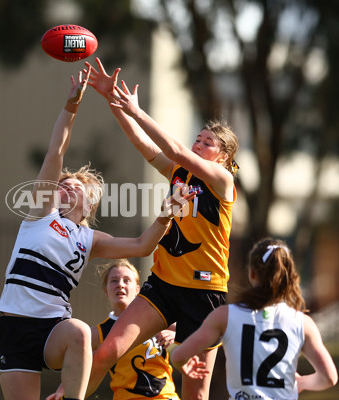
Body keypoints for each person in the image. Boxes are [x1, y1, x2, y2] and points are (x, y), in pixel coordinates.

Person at [0, 70, 195, 400]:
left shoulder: (89, 239)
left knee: (79, 332)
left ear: (89, 202)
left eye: (73, 186)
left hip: (51, 327)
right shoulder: (40, 214)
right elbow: (55, 152)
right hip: (13, 325)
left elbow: (143, 246)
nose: (64, 187)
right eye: (61, 185)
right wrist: (71, 105)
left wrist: (165, 215)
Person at [81, 57, 240, 400]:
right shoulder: (180, 174)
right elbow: (145, 145)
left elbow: (176, 150)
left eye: (208, 143)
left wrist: (139, 111)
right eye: (198, 138)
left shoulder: (223, 181)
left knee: (196, 393)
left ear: (224, 157)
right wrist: (114, 101)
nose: (199, 144)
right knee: (107, 352)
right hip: (164, 285)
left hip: (205, 293)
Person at [170, 238, 338, 399]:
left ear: (252, 273)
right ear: (290, 275)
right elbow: (329, 377)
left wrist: (183, 364)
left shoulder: (225, 315)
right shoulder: (303, 323)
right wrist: (302, 382)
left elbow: (178, 356)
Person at [94, 259, 180, 400]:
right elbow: (78, 364)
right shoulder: (98, 333)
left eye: (127, 280)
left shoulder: (156, 319)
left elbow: (203, 332)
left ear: (138, 290)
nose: (120, 285)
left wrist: (176, 334)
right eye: (114, 281)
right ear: (106, 290)